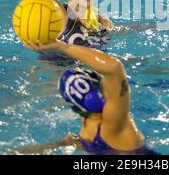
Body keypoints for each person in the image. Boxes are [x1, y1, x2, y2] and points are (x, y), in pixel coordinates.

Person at [13, 40, 159, 155]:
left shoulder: (86, 133)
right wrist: (62, 46)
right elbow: (114, 67)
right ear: (98, 97)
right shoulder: (113, 122)